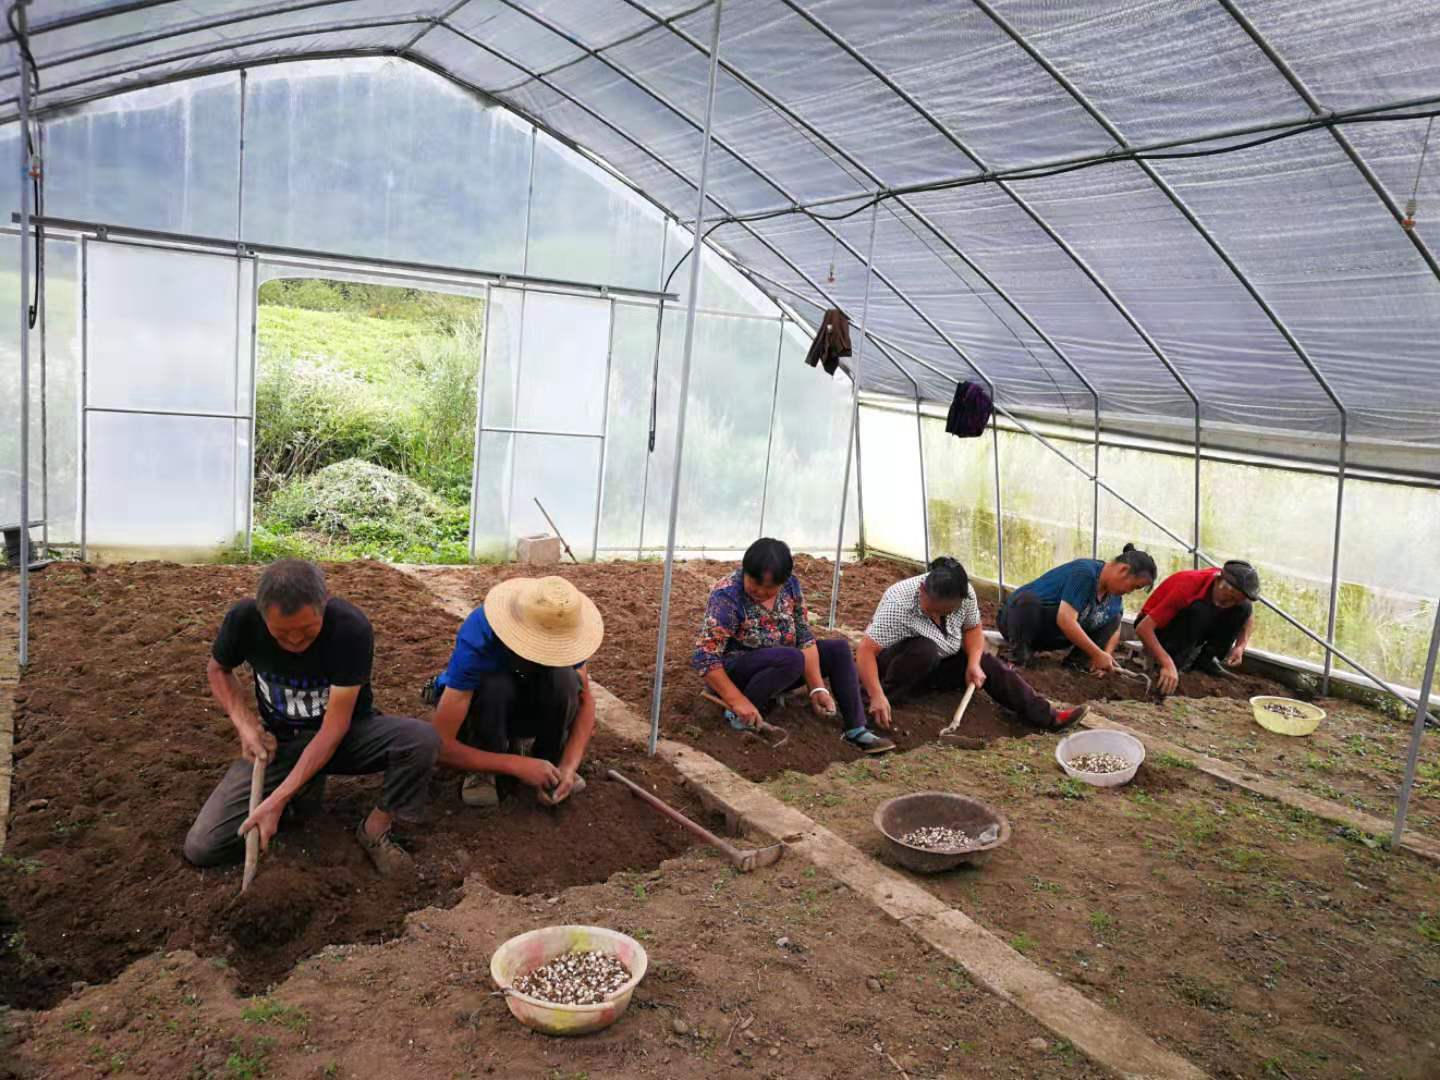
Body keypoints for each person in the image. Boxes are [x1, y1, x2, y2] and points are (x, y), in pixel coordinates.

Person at [184, 559, 439, 876]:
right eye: (281, 634)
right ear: (263, 616)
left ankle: (374, 829)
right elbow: (218, 669)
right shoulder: (243, 620)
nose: (294, 642)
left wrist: (276, 799)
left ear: (324, 605)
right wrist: (245, 722)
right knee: (202, 847)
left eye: (307, 631)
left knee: (420, 741)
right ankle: (298, 795)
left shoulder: (349, 629)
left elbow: (333, 731)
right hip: (281, 743)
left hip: (347, 736)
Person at [692, 538, 895, 755]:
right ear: (745, 570)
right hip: (738, 671)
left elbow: (804, 635)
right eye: (754, 583)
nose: (759, 591)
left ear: (783, 581)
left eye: (769, 587)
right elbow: (706, 657)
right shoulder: (727, 595)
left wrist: (817, 687)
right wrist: (738, 700)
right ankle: (739, 715)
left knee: (838, 649)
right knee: (791, 658)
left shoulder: (791, 586)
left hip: (782, 665)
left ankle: (856, 728)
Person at [426, 576, 604, 809]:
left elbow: (585, 701)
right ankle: (484, 762)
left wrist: (569, 765)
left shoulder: (563, 629)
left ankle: (552, 760)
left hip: (528, 706)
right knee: (494, 684)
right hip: (485, 707)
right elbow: (440, 745)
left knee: (566, 680)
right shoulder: (480, 636)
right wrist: (515, 764)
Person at [857, 557, 1089, 732]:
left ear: (958, 601)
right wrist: (876, 694)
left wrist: (974, 663)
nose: (934, 613)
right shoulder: (898, 600)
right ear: (922, 589)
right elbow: (866, 651)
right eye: (930, 606)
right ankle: (871, 707)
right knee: (924, 649)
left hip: (936, 665)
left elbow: (972, 629)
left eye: (943, 611)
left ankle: (1049, 717)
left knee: (988, 662)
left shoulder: (965, 595)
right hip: (895, 666)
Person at [998, 545, 1157, 674]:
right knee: (1028, 601)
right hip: (1018, 623)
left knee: (1113, 619)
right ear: (1123, 570)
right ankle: (1017, 656)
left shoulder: (1114, 595)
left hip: (1052, 637)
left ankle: (1075, 665)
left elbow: (1115, 630)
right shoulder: (1085, 573)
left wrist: (1105, 656)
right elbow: (1065, 620)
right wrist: (1097, 653)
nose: (1130, 591)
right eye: (1134, 586)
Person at [1135, 560, 1260, 693]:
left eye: (1236, 599)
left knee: (1243, 608)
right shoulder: (1188, 586)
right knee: (1199, 610)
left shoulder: (1233, 589)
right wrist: (1167, 663)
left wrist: (1240, 646)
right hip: (1156, 626)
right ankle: (1172, 660)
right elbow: (1143, 628)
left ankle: (1207, 660)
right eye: (1229, 597)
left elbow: (1248, 616)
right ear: (1219, 583)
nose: (1231, 603)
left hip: (1193, 622)